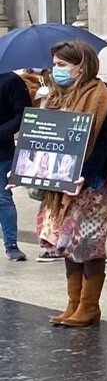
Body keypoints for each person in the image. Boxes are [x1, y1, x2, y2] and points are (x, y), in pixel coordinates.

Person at [33, 43, 107, 326]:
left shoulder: (101, 97)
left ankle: (89, 306)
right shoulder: (57, 96)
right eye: (55, 64)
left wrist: (85, 176)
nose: (56, 70)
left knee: (89, 245)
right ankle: (74, 302)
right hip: (62, 183)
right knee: (67, 243)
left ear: (81, 66)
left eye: (62, 64)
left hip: (92, 186)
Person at [0, 66, 28, 260]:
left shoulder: (10, 81)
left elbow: (23, 114)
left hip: (2, 151)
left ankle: (11, 245)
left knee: (3, 198)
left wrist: (1, 133)